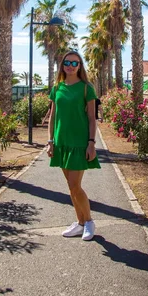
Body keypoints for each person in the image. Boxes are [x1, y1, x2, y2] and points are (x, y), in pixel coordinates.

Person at [47, 50, 100, 241]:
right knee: (70, 187)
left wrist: (91, 144)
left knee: (75, 185)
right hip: (61, 142)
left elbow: (92, 119)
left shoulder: (86, 88)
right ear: (62, 65)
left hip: (79, 142)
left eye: (75, 63)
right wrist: (50, 141)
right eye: (67, 63)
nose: (70, 66)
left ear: (80, 66)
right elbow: (53, 117)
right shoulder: (57, 88)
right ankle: (79, 223)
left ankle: (89, 222)